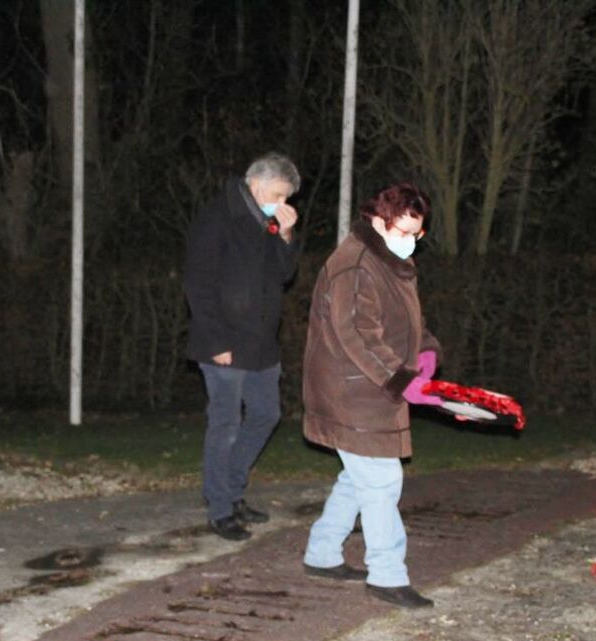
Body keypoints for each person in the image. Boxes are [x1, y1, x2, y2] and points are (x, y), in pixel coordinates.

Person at [300, 182, 444, 608]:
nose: (408, 242)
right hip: (351, 392)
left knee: (358, 478)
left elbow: (401, 324)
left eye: (416, 235)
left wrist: (426, 352)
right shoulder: (355, 264)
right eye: (400, 231)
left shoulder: (388, 262)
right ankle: (387, 574)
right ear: (376, 221)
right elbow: (358, 334)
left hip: (371, 389)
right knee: (381, 481)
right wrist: (402, 379)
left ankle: (322, 554)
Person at [184, 153, 302, 541]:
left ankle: (232, 491)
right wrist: (216, 340)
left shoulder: (266, 223)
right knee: (225, 424)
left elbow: (283, 274)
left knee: (266, 414)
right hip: (223, 344)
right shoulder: (218, 218)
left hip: (260, 344)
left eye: (287, 198)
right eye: (279, 195)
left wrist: (285, 236)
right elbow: (197, 285)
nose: (282, 204)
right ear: (257, 184)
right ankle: (220, 507)